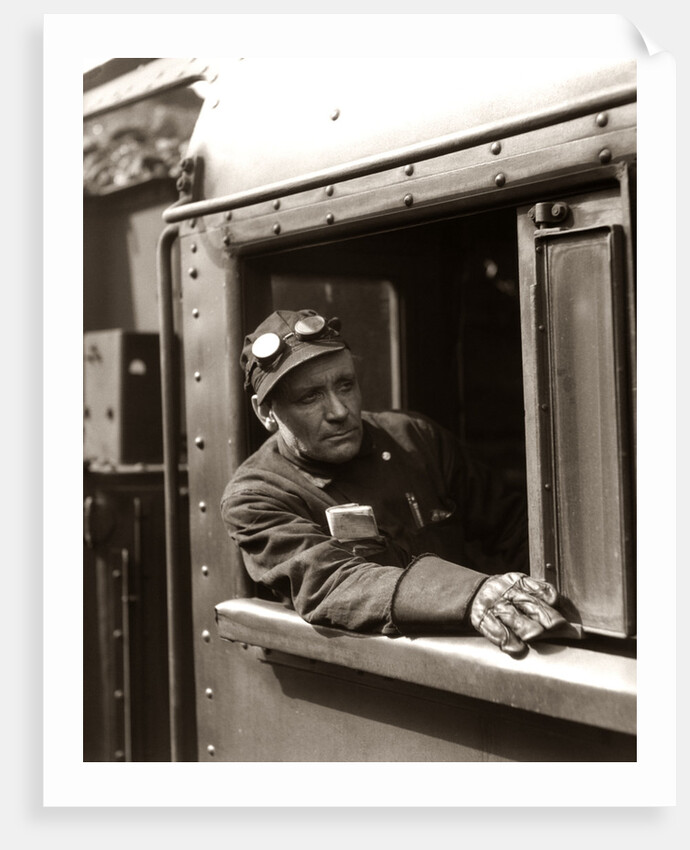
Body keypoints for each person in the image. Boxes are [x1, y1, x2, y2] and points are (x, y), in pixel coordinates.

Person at [221, 308, 567, 655]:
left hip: (490, 650)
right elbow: (332, 580)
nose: (339, 411)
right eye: (309, 398)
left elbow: (515, 526)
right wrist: (470, 593)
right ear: (265, 413)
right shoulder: (255, 497)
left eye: (346, 385)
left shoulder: (414, 438)